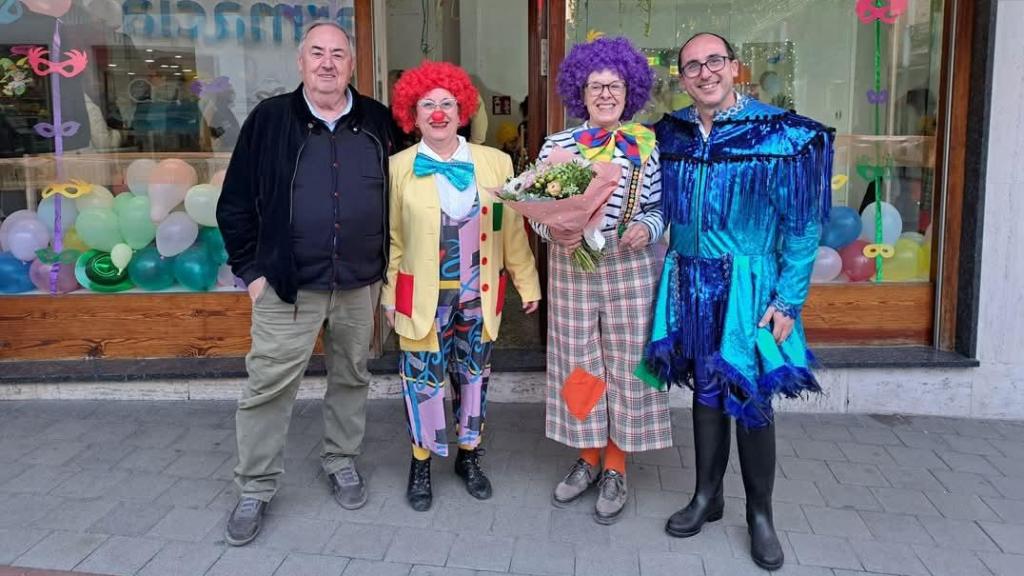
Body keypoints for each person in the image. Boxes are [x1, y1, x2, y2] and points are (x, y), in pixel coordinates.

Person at [646, 32, 833, 570]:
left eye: (714, 62)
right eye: (692, 67)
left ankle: (760, 515)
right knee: (705, 391)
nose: (704, 74)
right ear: (681, 78)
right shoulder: (670, 133)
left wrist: (788, 301)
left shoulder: (779, 135)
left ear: (734, 67)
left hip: (750, 287)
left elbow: (801, 228)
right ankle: (707, 496)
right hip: (688, 282)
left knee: (750, 398)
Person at [216, 21, 394, 546]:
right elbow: (234, 204)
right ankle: (255, 487)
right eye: (317, 52)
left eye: (338, 54)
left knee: (351, 377)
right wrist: (251, 273)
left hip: (359, 284)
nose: (327, 63)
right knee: (268, 386)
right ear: (300, 62)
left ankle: (341, 460)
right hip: (287, 287)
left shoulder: (377, 122)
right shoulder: (270, 121)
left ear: (352, 65)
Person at [382, 60, 541, 512]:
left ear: (463, 110)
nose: (437, 112)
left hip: (478, 292)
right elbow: (394, 239)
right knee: (423, 380)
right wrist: (390, 295)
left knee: (474, 377)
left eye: (446, 103)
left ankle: (469, 455)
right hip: (420, 294)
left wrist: (528, 283)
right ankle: (421, 461)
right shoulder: (399, 167)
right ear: (412, 114)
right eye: (426, 104)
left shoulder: (495, 162)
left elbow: (512, 230)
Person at [533, 36, 670, 525]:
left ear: (628, 90)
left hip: (630, 263)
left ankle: (617, 465)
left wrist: (646, 227)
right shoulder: (558, 146)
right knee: (580, 364)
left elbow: (659, 209)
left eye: (614, 85)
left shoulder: (646, 145)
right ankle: (588, 456)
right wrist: (554, 229)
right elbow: (535, 212)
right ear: (580, 91)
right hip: (574, 264)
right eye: (596, 85)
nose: (605, 94)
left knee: (628, 364)